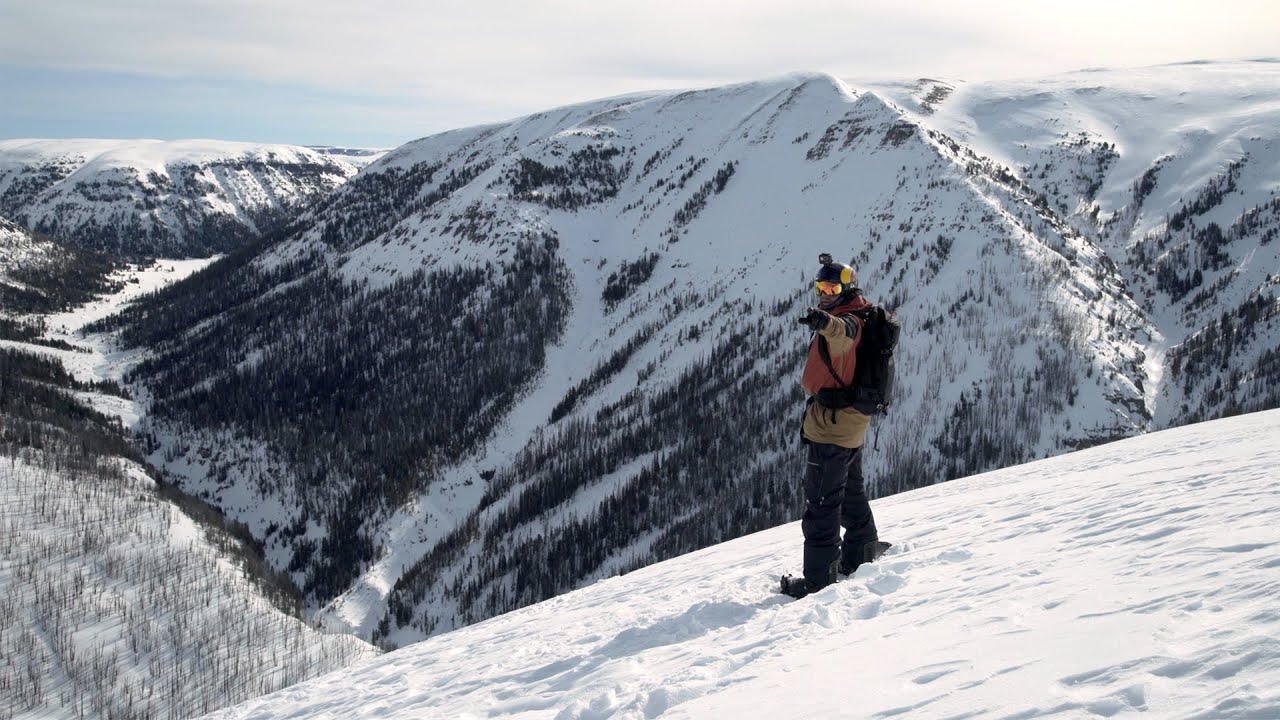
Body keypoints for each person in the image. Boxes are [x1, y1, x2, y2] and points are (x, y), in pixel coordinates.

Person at [781, 253, 891, 599]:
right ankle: (861, 550)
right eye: (820, 287)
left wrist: (823, 321)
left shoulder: (848, 321)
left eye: (831, 287)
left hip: (833, 426)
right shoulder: (860, 311)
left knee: (822, 503)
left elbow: (841, 334)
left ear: (847, 288)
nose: (824, 293)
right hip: (849, 423)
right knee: (849, 491)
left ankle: (819, 580)